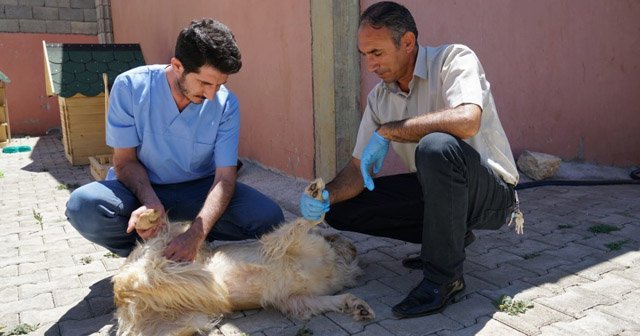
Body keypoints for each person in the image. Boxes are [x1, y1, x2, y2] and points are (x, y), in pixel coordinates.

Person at [299, 1, 521, 318]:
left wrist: (390, 131)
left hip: (490, 194)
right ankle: (447, 241)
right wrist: (325, 197)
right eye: (365, 56)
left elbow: (468, 120)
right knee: (342, 207)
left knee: (436, 147)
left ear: (407, 42)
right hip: (439, 191)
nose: (370, 66)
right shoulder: (380, 98)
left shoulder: (453, 59)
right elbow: (356, 170)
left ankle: (443, 279)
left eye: (377, 53)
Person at [66, 18, 284, 262]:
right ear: (177, 65)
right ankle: (146, 252)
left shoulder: (227, 103)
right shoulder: (129, 87)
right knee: (83, 206)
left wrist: (196, 234)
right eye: (204, 83)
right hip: (141, 187)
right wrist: (149, 202)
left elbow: (224, 178)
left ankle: (192, 240)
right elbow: (124, 162)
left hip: (198, 189)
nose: (212, 95)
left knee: (270, 218)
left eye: (220, 84)